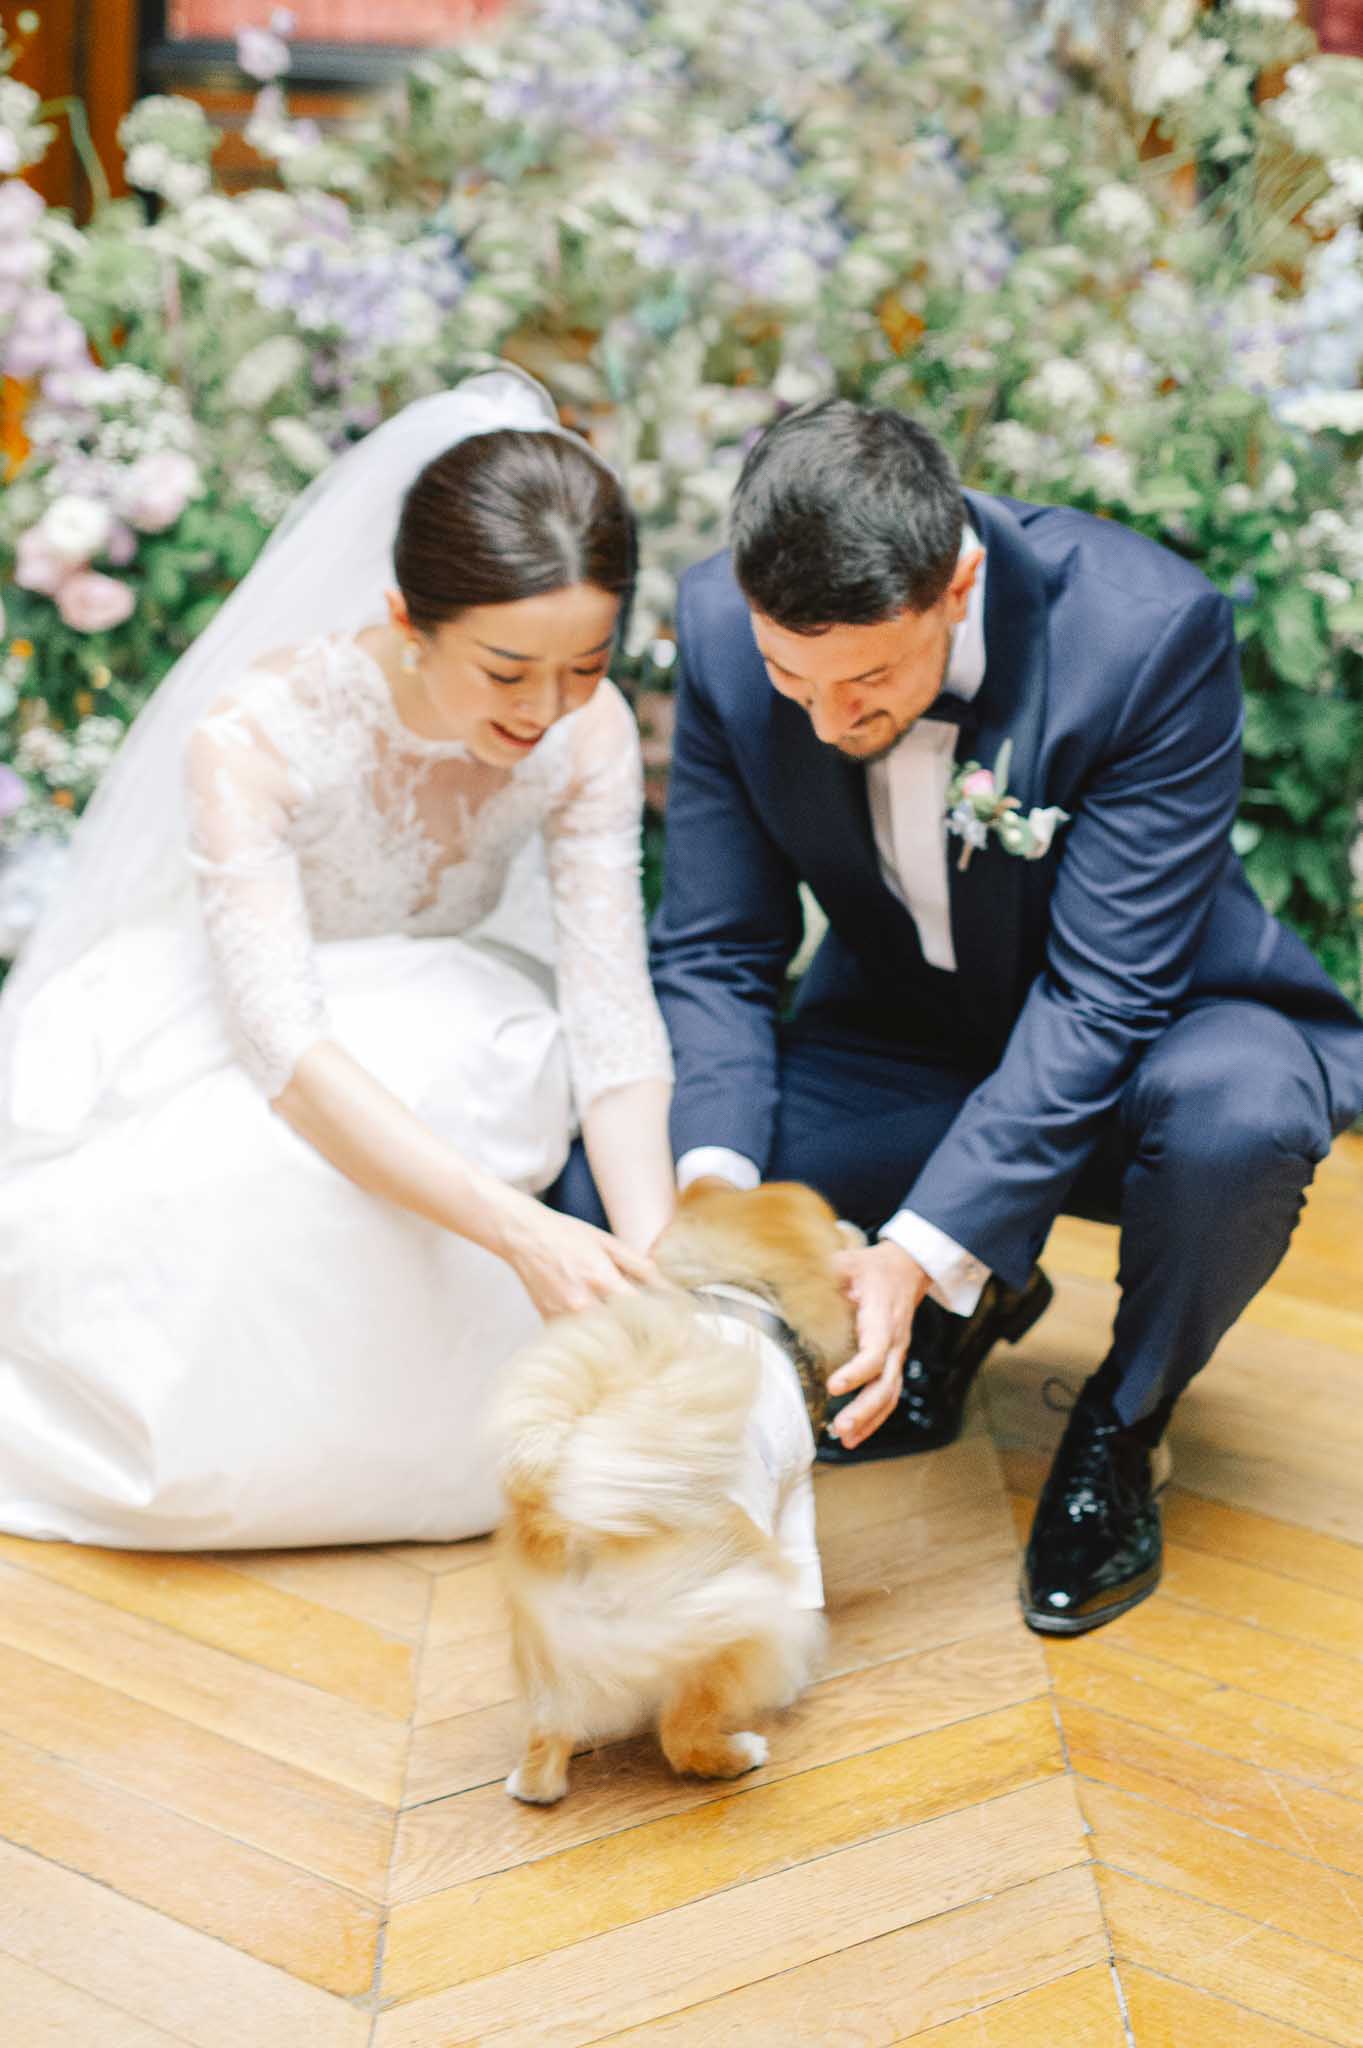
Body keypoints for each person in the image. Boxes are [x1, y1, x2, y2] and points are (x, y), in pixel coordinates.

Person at [553, 399, 1363, 1635]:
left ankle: (1121, 1420)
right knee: (603, 1188)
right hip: (905, 1040)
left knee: (1241, 1119)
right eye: (790, 678)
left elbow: (1102, 997)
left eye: (868, 679)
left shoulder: (1142, 633)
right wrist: (712, 1208)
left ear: (958, 586)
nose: (826, 721)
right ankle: (976, 1291)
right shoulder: (718, 624)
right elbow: (717, 950)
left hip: (1156, 1038)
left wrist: (912, 1249)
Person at [0, 367, 676, 1550]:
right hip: (258, 1024)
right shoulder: (259, 733)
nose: (546, 708)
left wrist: (662, 1269)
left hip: (443, 1005)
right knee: (217, 1199)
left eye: (585, 664)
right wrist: (523, 1233)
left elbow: (611, 1014)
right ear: (408, 620)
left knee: (479, 1081)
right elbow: (286, 1045)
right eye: (507, 671)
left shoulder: (589, 735)